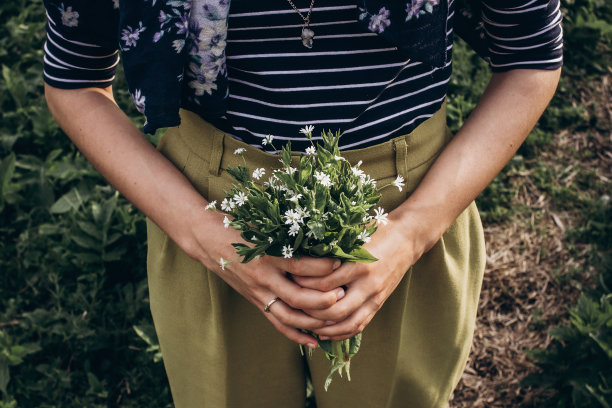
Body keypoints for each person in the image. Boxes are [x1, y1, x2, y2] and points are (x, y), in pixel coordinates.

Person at [42, 0, 562, 406]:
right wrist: (206, 236)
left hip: (406, 205)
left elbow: (531, 55)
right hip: (207, 206)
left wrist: (410, 233)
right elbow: (76, 78)